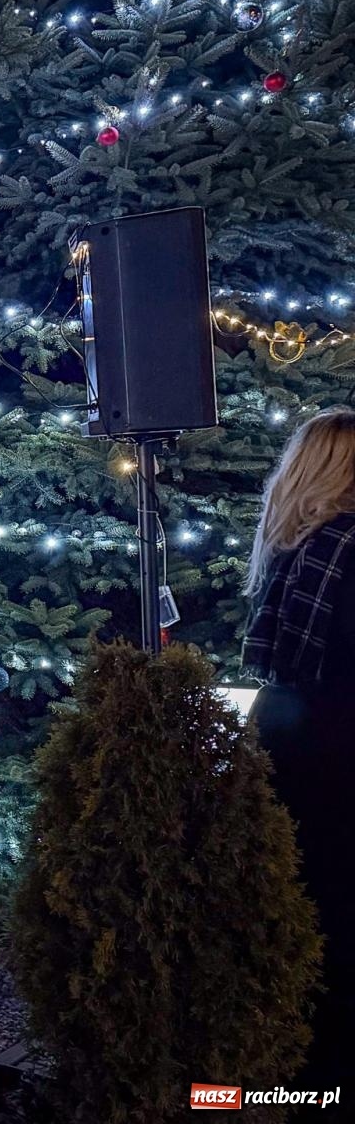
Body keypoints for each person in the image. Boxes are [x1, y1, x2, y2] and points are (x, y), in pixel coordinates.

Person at [242, 406, 355, 1085]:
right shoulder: (346, 549)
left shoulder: (301, 548)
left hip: (296, 738)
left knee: (308, 904)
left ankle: (302, 1071)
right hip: (335, 748)